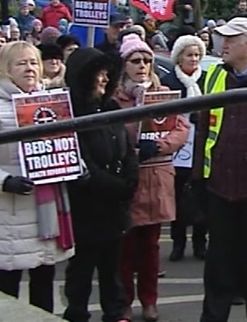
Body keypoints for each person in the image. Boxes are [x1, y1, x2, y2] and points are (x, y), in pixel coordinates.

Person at [0, 41, 74, 311]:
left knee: (44, 286)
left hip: (46, 211)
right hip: (8, 214)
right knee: (7, 293)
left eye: (34, 62)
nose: (30, 68)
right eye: (21, 63)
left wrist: (75, 166)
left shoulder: (52, 102)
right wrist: (4, 181)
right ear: (6, 68)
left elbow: (64, 144)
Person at [192, 18, 247, 321]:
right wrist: (198, 180)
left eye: (231, 38)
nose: (223, 44)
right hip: (221, 183)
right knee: (218, 264)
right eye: (221, 38)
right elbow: (203, 129)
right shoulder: (214, 75)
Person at [114, 35, 190, 322]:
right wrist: (132, 149)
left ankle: (149, 302)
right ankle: (124, 303)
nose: (143, 65)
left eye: (147, 60)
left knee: (151, 246)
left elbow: (181, 129)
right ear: (124, 65)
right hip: (128, 177)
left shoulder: (164, 92)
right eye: (136, 61)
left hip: (157, 174)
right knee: (125, 247)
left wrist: (159, 145)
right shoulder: (116, 97)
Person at [63, 47, 139, 322]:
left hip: (115, 206)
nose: (105, 79)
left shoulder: (110, 107)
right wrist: (119, 186)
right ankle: (77, 314)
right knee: (82, 269)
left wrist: (132, 178)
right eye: (99, 74)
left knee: (114, 269)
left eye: (108, 74)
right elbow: (80, 163)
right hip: (87, 206)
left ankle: (116, 314)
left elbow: (127, 147)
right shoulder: (69, 113)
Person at [161, 35, 209, 262]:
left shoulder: (207, 80)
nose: (194, 59)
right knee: (178, 197)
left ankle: (200, 242)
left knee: (201, 196)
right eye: (189, 55)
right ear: (179, 57)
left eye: (197, 55)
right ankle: (177, 243)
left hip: (201, 146)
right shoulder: (169, 81)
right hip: (177, 147)